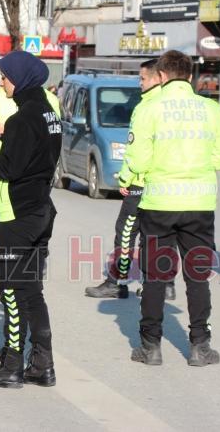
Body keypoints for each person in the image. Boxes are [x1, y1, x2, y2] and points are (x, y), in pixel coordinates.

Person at [124, 50, 220, 367]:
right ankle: (200, 346)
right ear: (191, 76)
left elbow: (139, 160)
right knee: (197, 276)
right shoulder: (211, 109)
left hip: (159, 202)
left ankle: (150, 347)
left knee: (155, 276)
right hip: (199, 202)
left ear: (160, 76)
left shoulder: (149, 109)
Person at [0, 51, 62, 389]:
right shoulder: (48, 114)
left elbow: (6, 169)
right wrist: (9, 138)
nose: (1, 82)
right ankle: (42, 364)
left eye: (5, 76)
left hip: (17, 215)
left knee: (11, 289)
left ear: (19, 79)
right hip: (39, 210)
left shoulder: (23, 119)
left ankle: (11, 366)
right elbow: (35, 154)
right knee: (32, 289)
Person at [84, 59, 176, 300]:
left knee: (125, 232)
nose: (140, 83)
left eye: (143, 78)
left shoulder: (146, 107)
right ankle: (164, 284)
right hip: (166, 184)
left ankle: (117, 280)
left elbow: (135, 150)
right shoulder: (173, 106)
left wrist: (125, 178)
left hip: (142, 181)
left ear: (158, 78)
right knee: (157, 235)